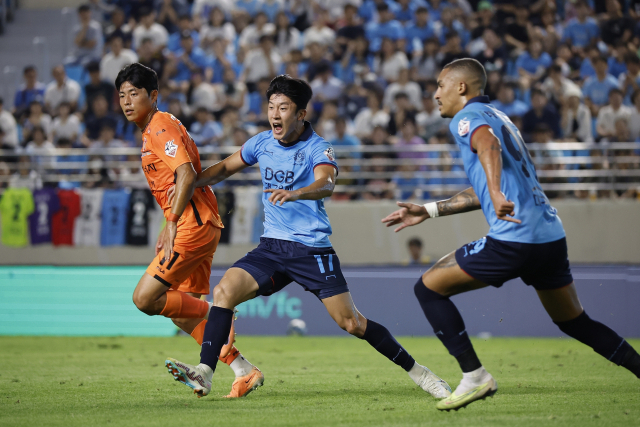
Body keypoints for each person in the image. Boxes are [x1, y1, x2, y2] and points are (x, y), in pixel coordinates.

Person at [164, 75, 452, 399]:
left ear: (300, 114)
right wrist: (191, 183)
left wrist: (298, 193)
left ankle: (422, 374)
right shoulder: (261, 142)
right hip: (271, 248)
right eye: (271, 106)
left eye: (283, 107)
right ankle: (205, 372)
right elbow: (224, 169)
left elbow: (327, 184)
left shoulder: (319, 147)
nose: (275, 114)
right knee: (224, 291)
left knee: (353, 323)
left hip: (311, 250)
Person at [381, 58, 640, 411]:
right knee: (575, 322)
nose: (435, 93)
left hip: (516, 237)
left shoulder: (468, 119)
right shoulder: (502, 118)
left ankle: (474, 376)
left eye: (441, 85)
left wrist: (497, 192)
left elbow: (488, 148)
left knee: (427, 287)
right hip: (549, 235)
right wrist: (430, 210)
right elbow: (487, 185)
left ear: (462, 88)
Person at [116, 63, 263, 399]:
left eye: (134, 94)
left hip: (192, 226)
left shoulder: (160, 125)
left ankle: (219, 312)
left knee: (145, 299)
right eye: (122, 95)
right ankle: (243, 370)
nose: (126, 101)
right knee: (182, 313)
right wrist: (169, 220)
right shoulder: (152, 129)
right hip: (196, 223)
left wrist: (171, 222)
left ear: (153, 96)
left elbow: (184, 173)